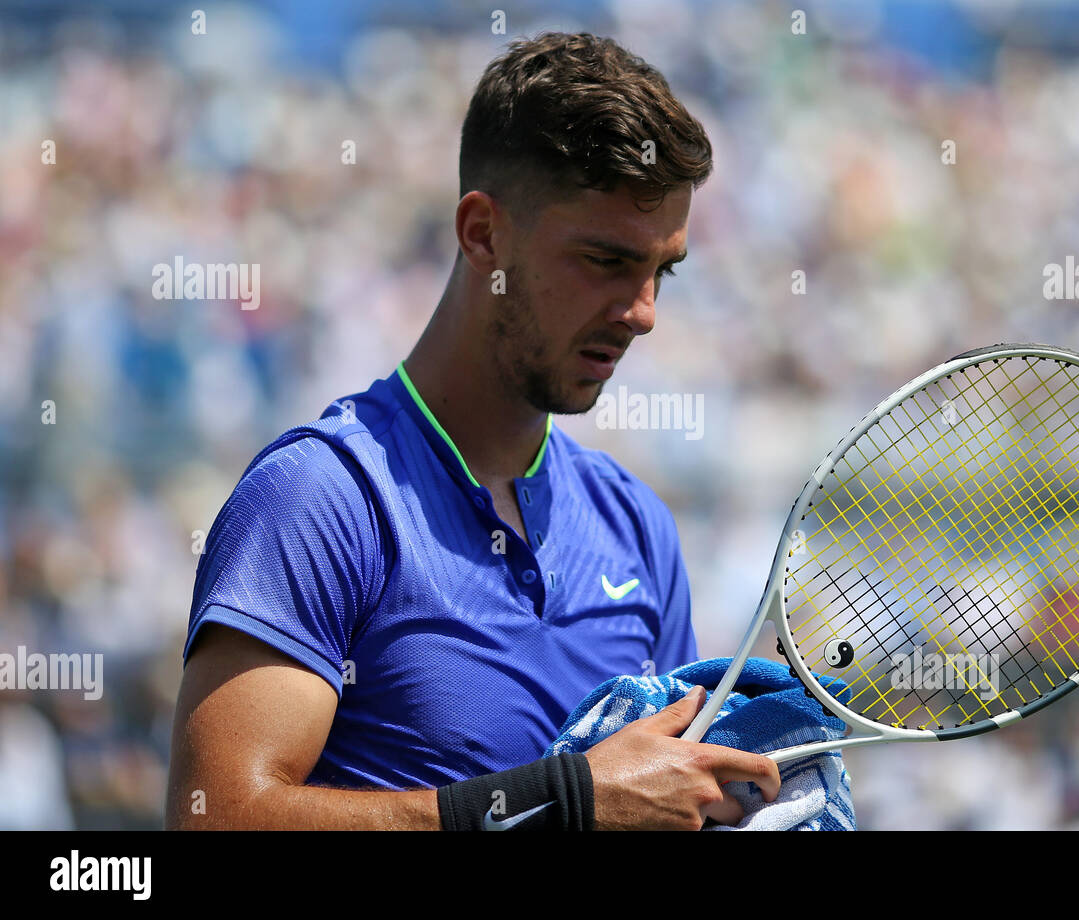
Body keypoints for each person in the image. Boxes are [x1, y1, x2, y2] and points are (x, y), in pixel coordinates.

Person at [165, 31, 779, 831]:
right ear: (482, 232)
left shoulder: (637, 527)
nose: (643, 313)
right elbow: (218, 818)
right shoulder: (319, 499)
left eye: (661, 271)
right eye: (603, 260)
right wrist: (560, 804)